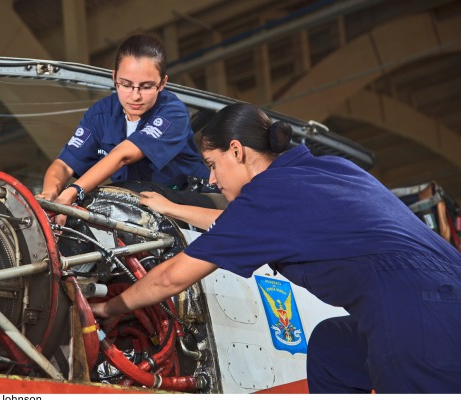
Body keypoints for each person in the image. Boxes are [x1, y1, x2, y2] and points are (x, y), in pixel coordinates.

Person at [90, 102, 461, 394]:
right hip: (447, 297)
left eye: (213, 165)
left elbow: (170, 279)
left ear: (236, 150)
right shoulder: (327, 170)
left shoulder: (265, 202)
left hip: (414, 316)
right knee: (333, 349)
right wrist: (172, 209)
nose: (213, 179)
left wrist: (108, 307)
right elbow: (240, 225)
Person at [38, 34, 210, 223]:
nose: (135, 96)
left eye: (146, 87)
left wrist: (74, 191)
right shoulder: (100, 115)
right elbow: (63, 165)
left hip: (191, 206)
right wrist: (50, 197)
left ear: (162, 83)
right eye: (126, 85)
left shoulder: (173, 112)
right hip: (140, 213)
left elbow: (123, 155)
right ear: (114, 78)